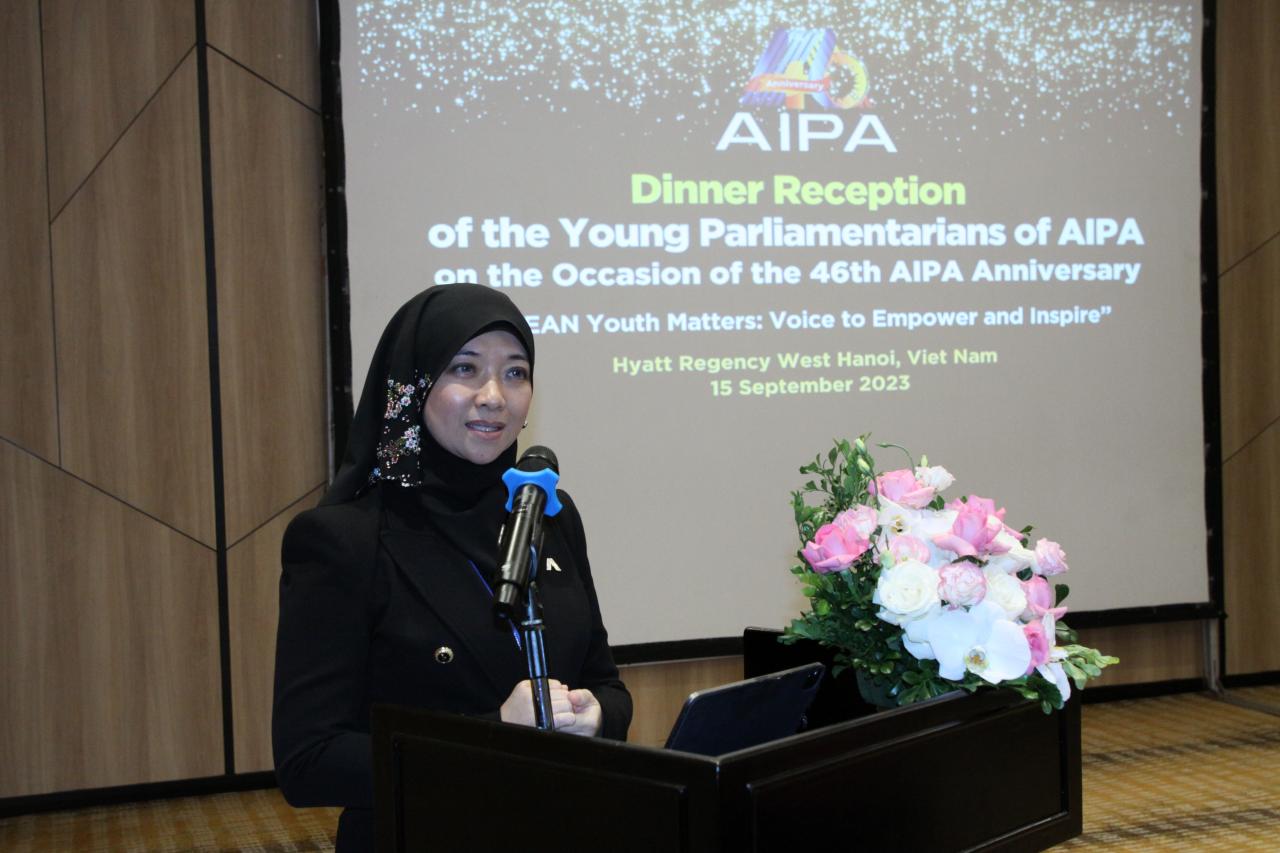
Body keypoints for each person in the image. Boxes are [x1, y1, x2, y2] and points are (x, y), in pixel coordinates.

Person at [272, 283, 631, 851]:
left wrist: (596, 717)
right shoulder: (344, 541)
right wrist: (492, 734)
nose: (495, 396)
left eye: (516, 373)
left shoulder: (550, 516)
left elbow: (607, 684)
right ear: (414, 386)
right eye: (465, 369)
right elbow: (308, 761)